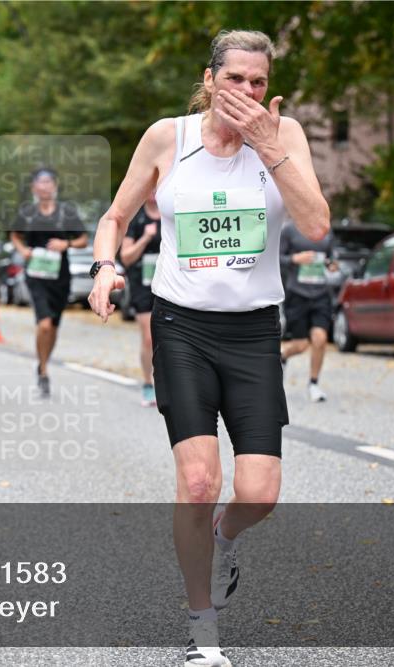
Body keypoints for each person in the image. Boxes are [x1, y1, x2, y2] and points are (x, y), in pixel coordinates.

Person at [87, 30, 330, 667]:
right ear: (210, 80)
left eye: (258, 81)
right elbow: (115, 216)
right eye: (236, 80)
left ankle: (226, 539)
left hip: (253, 331)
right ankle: (203, 635)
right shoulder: (169, 137)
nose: (247, 92)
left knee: (259, 494)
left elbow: (316, 224)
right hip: (181, 326)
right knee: (198, 483)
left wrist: (270, 149)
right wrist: (105, 268)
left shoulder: (287, 136)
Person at [9, 168, 88, 397]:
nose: (44, 187)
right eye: (39, 183)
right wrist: (23, 250)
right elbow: (15, 235)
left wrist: (67, 245)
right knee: (43, 323)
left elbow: (83, 239)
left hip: (60, 276)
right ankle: (43, 370)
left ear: (55, 185)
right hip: (35, 275)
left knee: (53, 326)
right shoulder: (28, 213)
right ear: (34, 187)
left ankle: (43, 362)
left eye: (48, 182)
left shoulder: (66, 212)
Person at [279, 221, 338, 402]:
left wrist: (332, 264)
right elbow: (276, 258)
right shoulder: (289, 230)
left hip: (321, 293)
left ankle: (314, 384)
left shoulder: (325, 229)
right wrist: (295, 259)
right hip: (297, 294)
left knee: (320, 339)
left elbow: (332, 257)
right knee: (301, 345)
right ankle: (281, 356)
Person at [119, 191, 162, 406]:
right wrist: (145, 238)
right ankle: (148, 383)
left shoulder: (171, 213)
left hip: (170, 284)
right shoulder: (136, 220)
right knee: (149, 338)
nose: (154, 192)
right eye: (150, 187)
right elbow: (126, 257)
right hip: (143, 285)